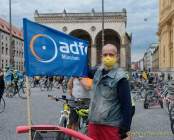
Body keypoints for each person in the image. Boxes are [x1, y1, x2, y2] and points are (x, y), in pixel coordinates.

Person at [87, 44, 132, 140]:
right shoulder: (97, 72)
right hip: (93, 124)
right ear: (101, 57)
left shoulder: (121, 78)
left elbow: (127, 105)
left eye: (111, 55)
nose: (108, 57)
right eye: (105, 54)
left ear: (117, 57)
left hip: (111, 127)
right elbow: (82, 71)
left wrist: (125, 128)